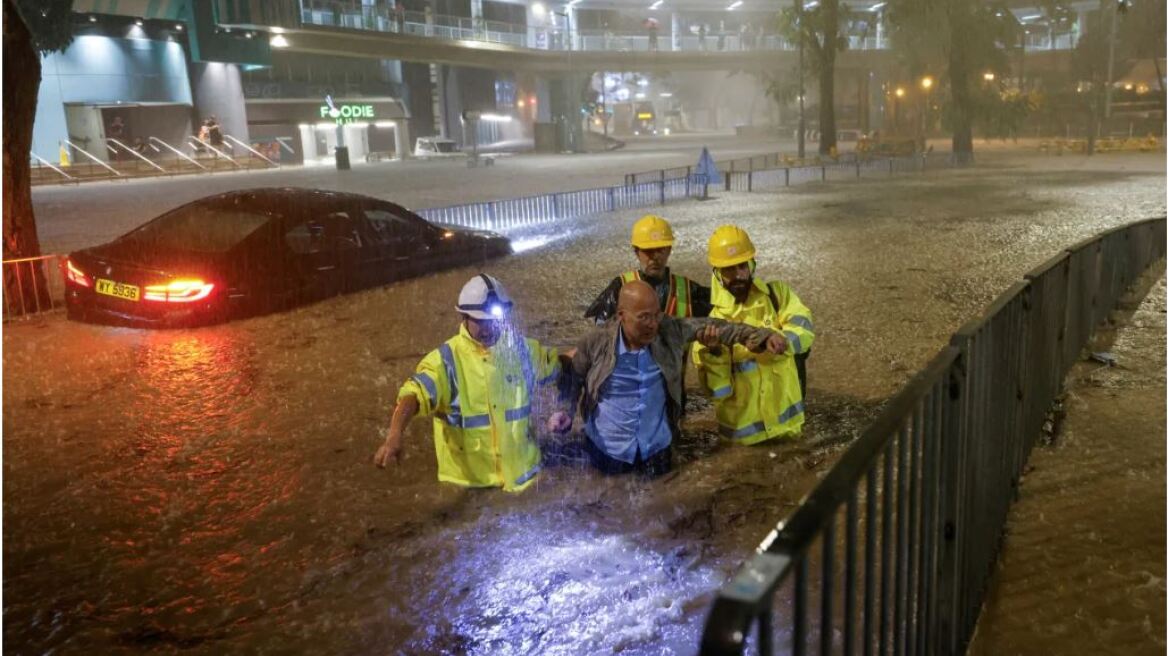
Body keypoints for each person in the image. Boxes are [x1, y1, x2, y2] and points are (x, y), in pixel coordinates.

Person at [559, 280, 785, 476]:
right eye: (644, 317)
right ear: (621, 316)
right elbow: (574, 377)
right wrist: (564, 411)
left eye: (656, 315)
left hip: (657, 450)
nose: (653, 324)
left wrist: (763, 337)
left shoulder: (669, 330)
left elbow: (720, 327)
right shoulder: (595, 342)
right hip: (607, 451)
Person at [374, 274, 569, 491]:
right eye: (481, 321)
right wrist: (394, 435)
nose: (489, 328)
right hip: (472, 488)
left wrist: (596, 346)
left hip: (527, 480)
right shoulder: (445, 361)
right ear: (463, 317)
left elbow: (561, 366)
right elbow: (413, 396)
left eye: (494, 320)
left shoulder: (524, 350)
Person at [692, 225, 815, 444]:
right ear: (717, 274)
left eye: (742, 266)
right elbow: (717, 393)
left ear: (752, 264)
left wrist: (784, 340)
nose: (738, 275)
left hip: (788, 429)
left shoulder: (778, 296)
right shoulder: (711, 325)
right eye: (728, 269)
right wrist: (714, 351)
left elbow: (805, 330)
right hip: (743, 443)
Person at [584, 214, 713, 324]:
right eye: (648, 251)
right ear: (636, 252)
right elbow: (601, 332)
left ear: (669, 250)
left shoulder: (688, 290)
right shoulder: (620, 287)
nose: (655, 257)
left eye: (660, 250)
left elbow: (721, 306)